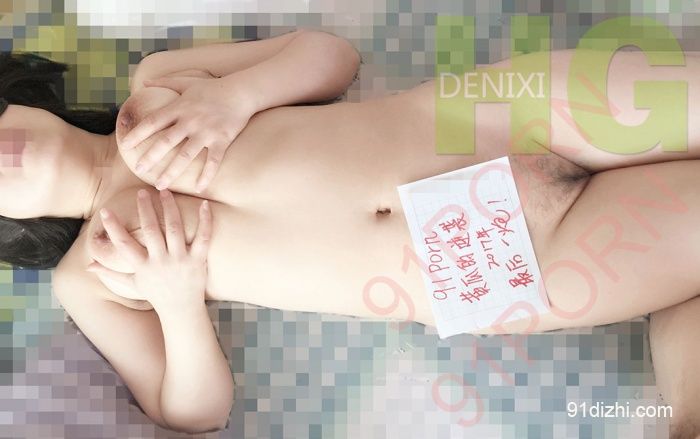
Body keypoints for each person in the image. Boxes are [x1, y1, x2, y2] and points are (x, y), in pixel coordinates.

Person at [1, 31, 699, 435]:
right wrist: (176, 298)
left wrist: (233, 97)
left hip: (484, 118)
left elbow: (329, 54)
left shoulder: (157, 81)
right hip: (487, 266)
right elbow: (193, 413)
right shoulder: (89, 279)